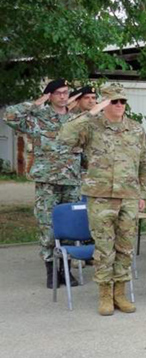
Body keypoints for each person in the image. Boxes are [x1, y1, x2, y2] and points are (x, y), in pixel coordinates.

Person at [58, 84, 146, 315]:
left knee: (125, 247)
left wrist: (143, 194)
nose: (119, 105)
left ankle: (120, 293)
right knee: (103, 249)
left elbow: (145, 164)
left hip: (128, 196)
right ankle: (105, 295)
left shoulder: (136, 129)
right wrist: (90, 112)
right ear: (104, 103)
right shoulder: (91, 127)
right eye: (114, 101)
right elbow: (64, 137)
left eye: (122, 102)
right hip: (100, 197)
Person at [3, 79, 82, 288]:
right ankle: (50, 269)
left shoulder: (76, 119)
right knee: (47, 225)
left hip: (72, 180)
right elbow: (9, 116)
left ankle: (66, 270)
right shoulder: (38, 118)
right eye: (57, 93)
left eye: (66, 93)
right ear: (49, 95)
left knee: (70, 226)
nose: (63, 96)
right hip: (47, 180)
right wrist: (37, 103)